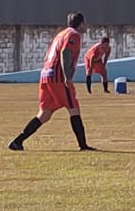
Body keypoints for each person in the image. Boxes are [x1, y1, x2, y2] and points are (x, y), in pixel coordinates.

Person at [8, 12, 94, 151]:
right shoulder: (74, 35)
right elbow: (65, 52)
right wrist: (67, 76)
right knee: (74, 108)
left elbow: (47, 55)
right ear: (81, 23)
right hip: (58, 78)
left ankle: (17, 141)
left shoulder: (61, 34)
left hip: (46, 76)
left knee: (45, 114)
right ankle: (83, 145)